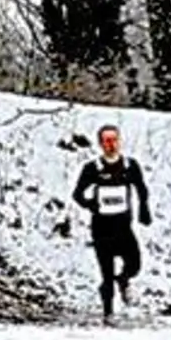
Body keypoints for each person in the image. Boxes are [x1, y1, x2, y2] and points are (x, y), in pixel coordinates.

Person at [71, 124, 152, 321]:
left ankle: (123, 280)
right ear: (100, 144)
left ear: (120, 141)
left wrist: (144, 210)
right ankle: (108, 312)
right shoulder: (92, 168)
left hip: (124, 227)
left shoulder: (129, 166)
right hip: (102, 229)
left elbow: (141, 188)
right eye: (106, 140)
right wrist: (91, 205)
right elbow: (77, 194)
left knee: (135, 264)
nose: (111, 144)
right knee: (106, 273)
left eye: (114, 139)